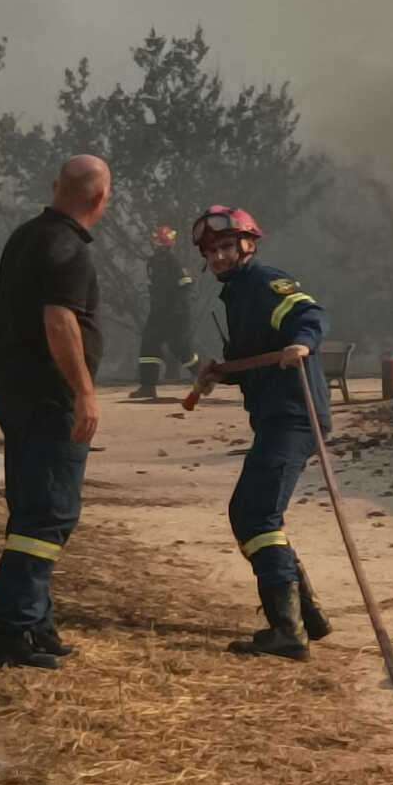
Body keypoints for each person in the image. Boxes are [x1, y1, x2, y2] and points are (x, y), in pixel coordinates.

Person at [0, 155, 111, 670]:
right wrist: (84, 392)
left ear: (57, 188)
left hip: (14, 392)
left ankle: (35, 623)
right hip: (49, 399)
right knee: (49, 515)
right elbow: (60, 323)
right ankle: (6, 631)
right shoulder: (68, 249)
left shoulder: (28, 236)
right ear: (99, 199)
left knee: (31, 508)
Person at [188, 204, 333, 659]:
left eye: (226, 247)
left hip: (294, 416)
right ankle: (306, 617)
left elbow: (311, 315)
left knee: (256, 516)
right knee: (252, 513)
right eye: (211, 251)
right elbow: (254, 358)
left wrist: (301, 343)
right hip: (274, 417)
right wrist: (223, 372)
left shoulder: (265, 282)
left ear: (248, 245)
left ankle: (287, 632)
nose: (217, 258)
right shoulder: (235, 297)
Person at [132, 226, 195, 400]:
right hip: (158, 312)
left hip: (176, 313)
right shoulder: (151, 262)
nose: (158, 245)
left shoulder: (174, 262)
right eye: (156, 242)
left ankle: (204, 375)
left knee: (180, 347)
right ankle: (147, 387)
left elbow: (186, 287)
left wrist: (177, 310)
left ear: (168, 244)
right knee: (148, 345)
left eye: (161, 242)